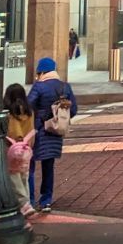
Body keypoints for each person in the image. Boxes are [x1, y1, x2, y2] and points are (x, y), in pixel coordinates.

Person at [27, 56, 77, 212]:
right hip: (55, 131)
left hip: (38, 130)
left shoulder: (39, 87)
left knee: (30, 166)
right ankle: (46, 200)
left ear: (41, 71)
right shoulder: (64, 87)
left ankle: (29, 200)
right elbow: (74, 110)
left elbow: (28, 105)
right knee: (48, 166)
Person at [3, 84, 36, 216]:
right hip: (26, 148)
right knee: (24, 176)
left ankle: (24, 204)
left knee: (14, 176)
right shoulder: (29, 111)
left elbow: (13, 132)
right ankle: (26, 203)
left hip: (12, 148)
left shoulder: (9, 112)